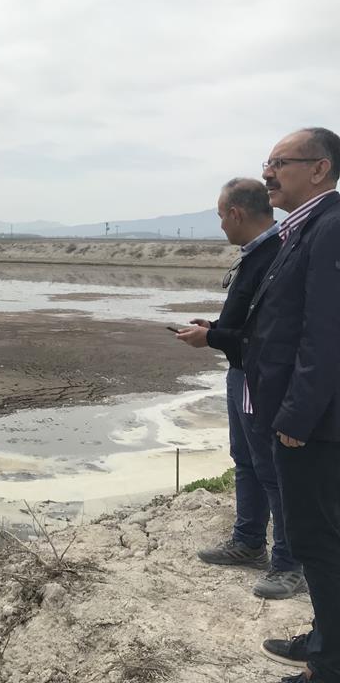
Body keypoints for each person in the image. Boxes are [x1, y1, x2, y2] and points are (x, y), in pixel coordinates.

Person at [242, 127, 340, 683]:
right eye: (267, 161)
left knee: (318, 541)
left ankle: (329, 665)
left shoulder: (329, 228)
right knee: (317, 536)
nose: (267, 173)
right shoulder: (304, 230)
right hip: (304, 418)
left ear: (319, 169)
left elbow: (324, 334)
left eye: (279, 162)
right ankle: (327, 639)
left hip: (315, 425)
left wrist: (298, 418)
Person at [175, 179, 302, 599]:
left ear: (236, 214)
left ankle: (288, 563)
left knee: (270, 469)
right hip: (242, 372)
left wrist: (211, 338)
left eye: (219, 215)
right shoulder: (261, 252)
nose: (219, 225)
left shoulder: (279, 252)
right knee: (245, 460)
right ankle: (248, 543)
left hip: (258, 377)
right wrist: (214, 329)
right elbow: (251, 321)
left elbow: (267, 334)